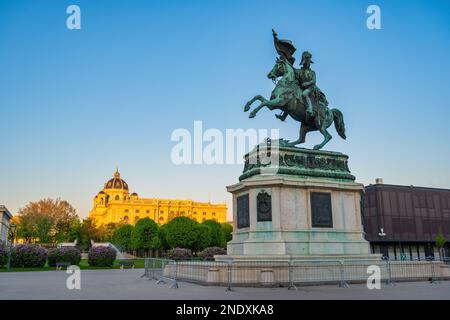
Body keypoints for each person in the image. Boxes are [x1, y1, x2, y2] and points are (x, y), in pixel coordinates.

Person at [297, 51, 328, 119]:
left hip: (310, 88)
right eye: (308, 62)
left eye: (309, 62)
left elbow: (314, 81)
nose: (309, 64)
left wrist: (306, 83)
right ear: (304, 62)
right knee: (293, 95)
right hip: (301, 87)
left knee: (304, 94)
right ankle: (284, 116)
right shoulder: (300, 71)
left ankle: (310, 109)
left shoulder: (312, 72)